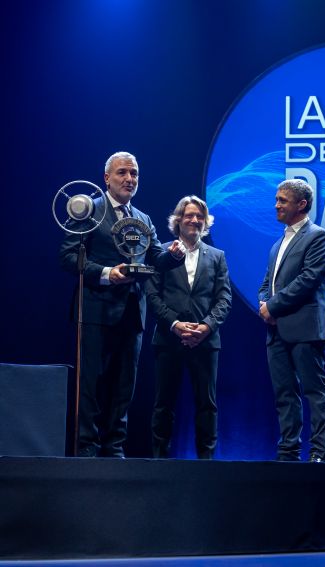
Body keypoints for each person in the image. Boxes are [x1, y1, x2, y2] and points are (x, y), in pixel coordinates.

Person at [59, 151, 184, 457]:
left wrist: (174, 255)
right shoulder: (89, 209)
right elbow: (68, 256)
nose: (130, 179)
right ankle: (86, 448)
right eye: (123, 173)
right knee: (91, 383)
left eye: (134, 174)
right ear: (107, 178)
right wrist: (106, 273)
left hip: (131, 313)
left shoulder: (142, 219)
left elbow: (156, 258)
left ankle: (114, 448)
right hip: (94, 310)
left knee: (124, 385)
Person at [145, 196, 232, 459]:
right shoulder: (160, 253)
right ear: (178, 220)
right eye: (189, 215)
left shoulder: (217, 256)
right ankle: (160, 462)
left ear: (206, 222)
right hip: (168, 339)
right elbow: (152, 295)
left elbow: (224, 299)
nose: (194, 220)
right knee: (164, 404)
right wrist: (174, 324)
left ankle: (206, 463)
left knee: (207, 405)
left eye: (200, 216)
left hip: (205, 341)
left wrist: (205, 327)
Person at [258, 179, 325, 462]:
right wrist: (264, 303)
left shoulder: (318, 237)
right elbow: (267, 282)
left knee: (314, 391)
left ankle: (318, 452)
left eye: (282, 200)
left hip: (305, 328)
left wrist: (273, 307)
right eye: (276, 199)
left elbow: (308, 280)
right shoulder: (277, 244)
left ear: (301, 204)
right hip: (276, 331)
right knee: (284, 394)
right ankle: (288, 452)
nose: (276, 205)